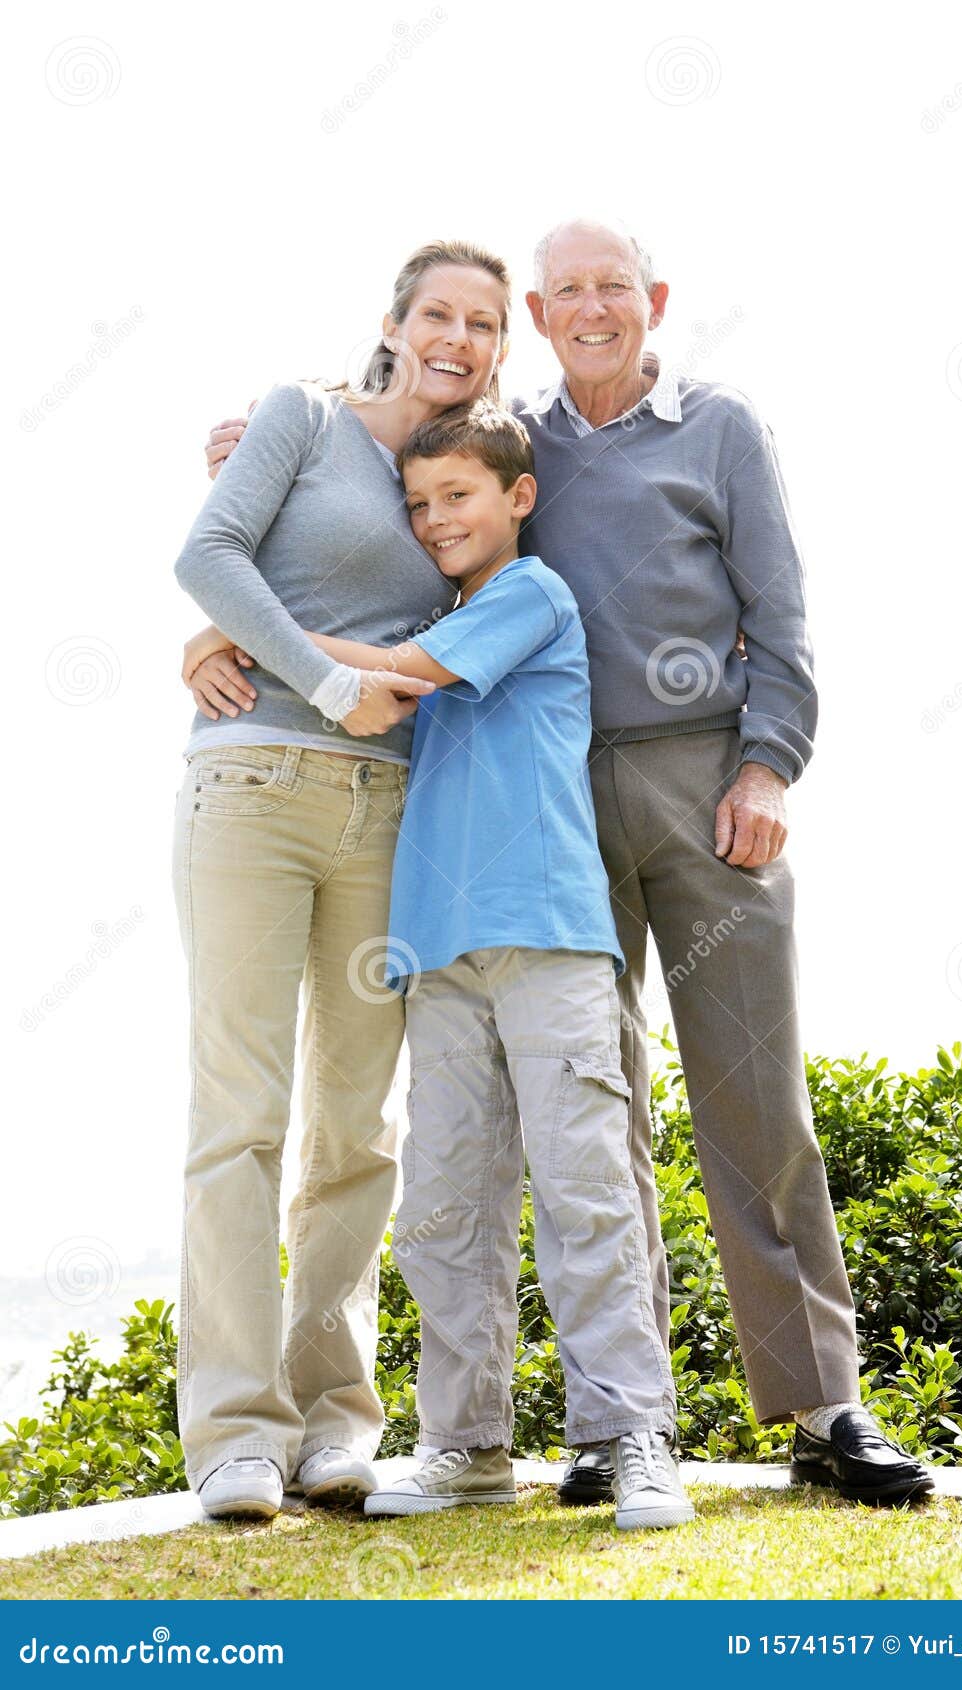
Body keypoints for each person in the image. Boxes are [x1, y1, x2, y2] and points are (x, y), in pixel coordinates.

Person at [191, 218, 933, 1509]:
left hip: (701, 778)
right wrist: (221, 613)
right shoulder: (501, 437)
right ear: (539, 314)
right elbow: (380, 505)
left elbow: (781, 608)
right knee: (597, 1115)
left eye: (611, 289)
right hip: (538, 798)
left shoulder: (719, 426)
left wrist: (767, 763)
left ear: (651, 300)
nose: (587, 310)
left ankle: (820, 1405)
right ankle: (610, 1427)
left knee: (750, 1093)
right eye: (563, 294)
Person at [184, 400, 694, 1533]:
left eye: (456, 495)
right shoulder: (441, 606)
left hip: (547, 932)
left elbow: (399, 671)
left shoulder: (528, 596)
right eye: (415, 503)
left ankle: (631, 1435)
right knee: (444, 1208)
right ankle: (466, 1443)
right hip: (436, 948)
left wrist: (233, 634)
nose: (432, 519)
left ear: (517, 498)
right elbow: (355, 661)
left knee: (582, 1186)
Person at [171, 239, 512, 1521]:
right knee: (239, 1117)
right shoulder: (299, 417)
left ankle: (331, 1423)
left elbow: (485, 624)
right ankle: (237, 1435)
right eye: (438, 312)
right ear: (394, 321)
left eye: (484, 321)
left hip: (392, 813)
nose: (458, 335)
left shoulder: (465, 475)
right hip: (251, 787)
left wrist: (269, 635)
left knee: (355, 1127)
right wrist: (318, 679)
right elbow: (210, 558)